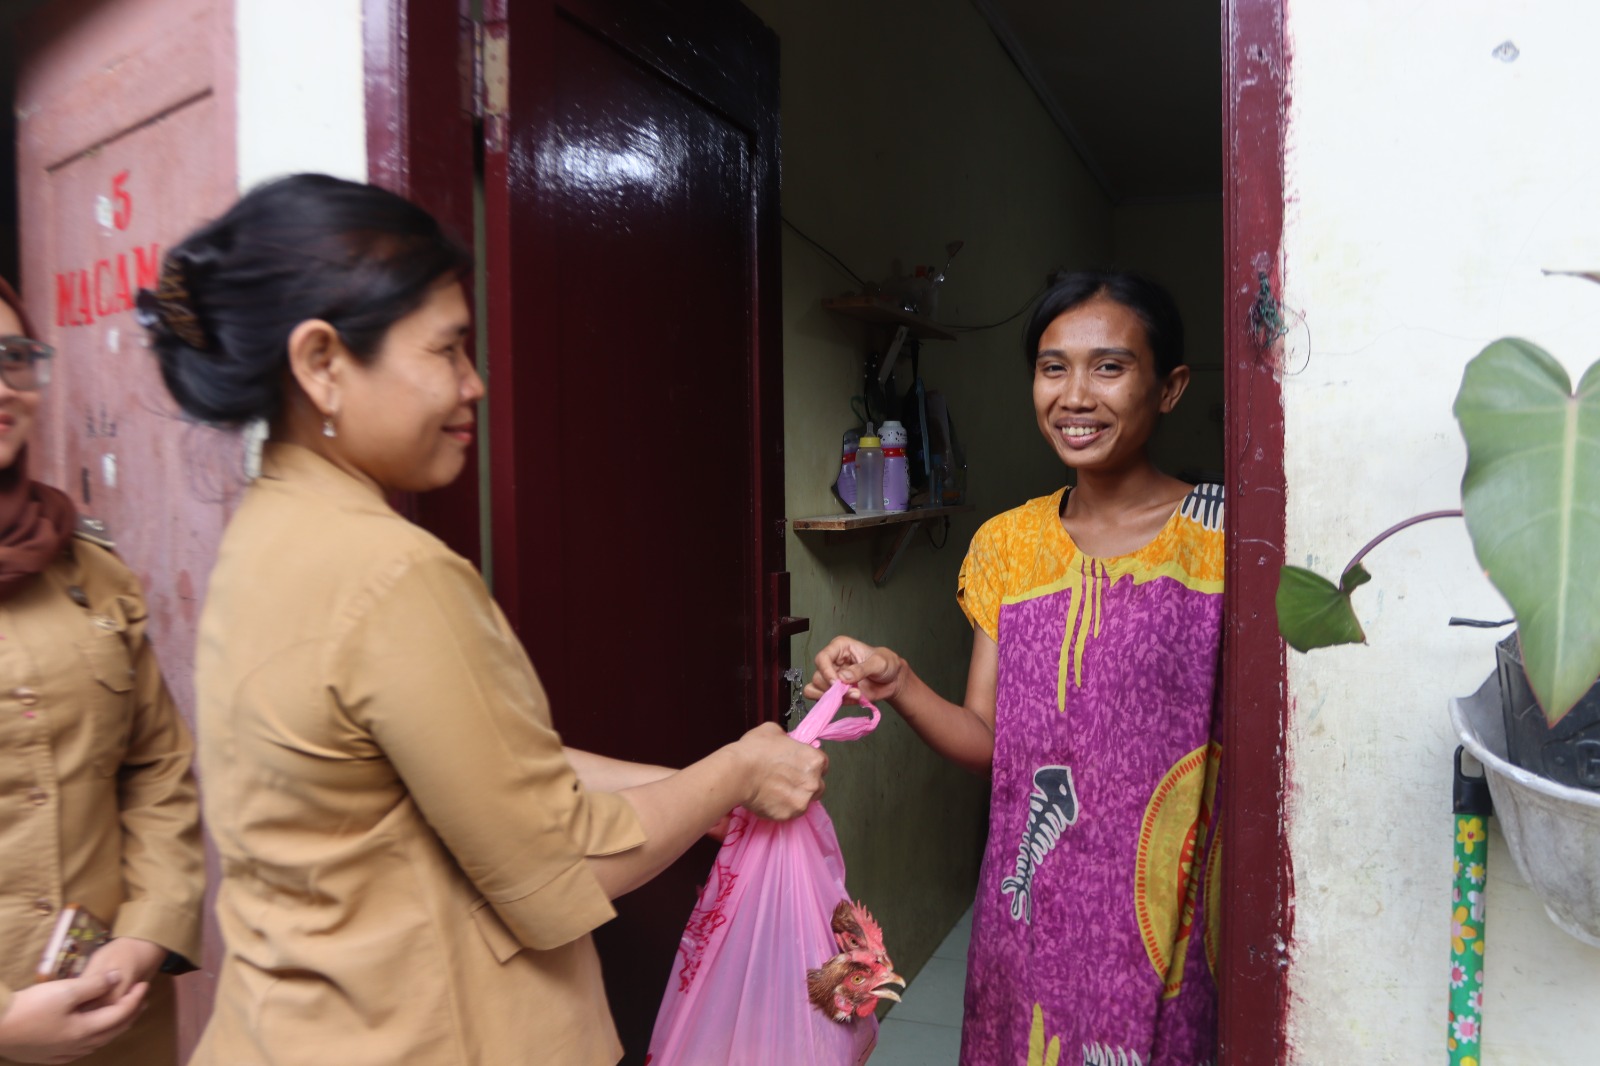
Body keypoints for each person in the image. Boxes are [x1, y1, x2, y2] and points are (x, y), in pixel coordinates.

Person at [137, 173, 827, 1066]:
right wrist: (734, 772)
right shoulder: (391, 573)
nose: (476, 385)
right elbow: (560, 870)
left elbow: (486, 770)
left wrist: (691, 795)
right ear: (322, 364)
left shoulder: (267, 539)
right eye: (448, 350)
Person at [807, 272, 1223, 1065]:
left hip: (1166, 923)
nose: (1074, 395)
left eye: (1109, 367)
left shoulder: (1221, 538)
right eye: (1051, 366)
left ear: (1169, 388)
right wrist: (896, 682)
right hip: (1026, 916)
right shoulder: (1006, 547)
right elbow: (988, 743)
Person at [0, 277, 204, 1066]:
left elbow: (155, 768)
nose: (2, 386)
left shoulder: (89, 570)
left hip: (110, 1019)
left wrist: (149, 933)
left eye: (15, 358)